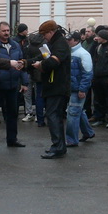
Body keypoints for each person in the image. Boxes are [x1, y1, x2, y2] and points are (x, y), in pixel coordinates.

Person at [0, 22, 28, 149]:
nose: (6, 33)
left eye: (8, 30)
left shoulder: (15, 45)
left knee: (12, 114)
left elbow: (21, 63)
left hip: (12, 85)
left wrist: (24, 82)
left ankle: (12, 139)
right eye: (4, 31)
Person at [31, 20, 71, 159]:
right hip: (53, 85)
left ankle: (57, 146)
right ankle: (60, 146)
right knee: (56, 116)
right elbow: (42, 56)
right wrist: (26, 62)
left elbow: (52, 62)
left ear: (51, 32)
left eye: (44, 34)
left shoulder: (60, 44)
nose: (43, 37)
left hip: (57, 86)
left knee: (53, 116)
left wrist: (40, 64)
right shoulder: (53, 44)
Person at [66, 31, 95, 147]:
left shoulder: (83, 54)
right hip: (74, 88)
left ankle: (72, 139)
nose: (68, 41)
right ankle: (88, 132)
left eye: (70, 39)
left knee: (72, 113)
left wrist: (82, 89)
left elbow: (88, 73)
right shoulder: (73, 52)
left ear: (76, 40)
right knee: (78, 111)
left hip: (78, 89)